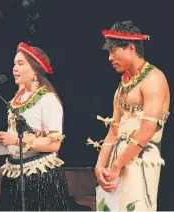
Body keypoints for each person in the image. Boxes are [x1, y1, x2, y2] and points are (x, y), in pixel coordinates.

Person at [0, 42, 70, 211]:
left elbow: (55, 144)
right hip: (13, 175)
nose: (14, 68)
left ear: (35, 70)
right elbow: (12, 143)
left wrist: (17, 140)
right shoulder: (15, 101)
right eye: (14, 64)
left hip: (39, 176)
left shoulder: (47, 100)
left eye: (20, 63)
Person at [87, 20, 170, 211]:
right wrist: (100, 165)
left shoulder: (154, 78)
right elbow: (113, 130)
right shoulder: (123, 85)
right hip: (117, 158)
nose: (110, 58)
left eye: (113, 51)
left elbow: (147, 131)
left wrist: (116, 167)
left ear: (131, 48)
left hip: (141, 158)